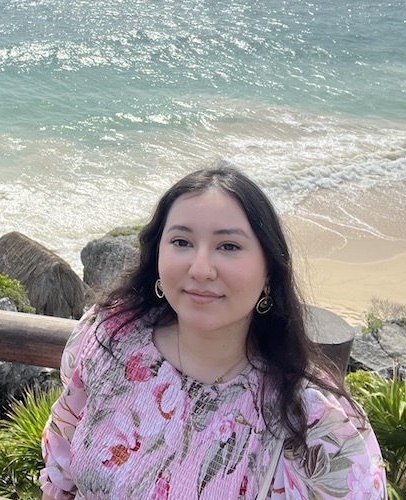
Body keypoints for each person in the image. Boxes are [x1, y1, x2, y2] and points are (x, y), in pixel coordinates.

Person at [40, 165, 387, 499]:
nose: (201, 268)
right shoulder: (110, 339)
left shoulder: (318, 423)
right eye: (181, 242)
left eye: (228, 246)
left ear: (269, 270)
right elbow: (62, 458)